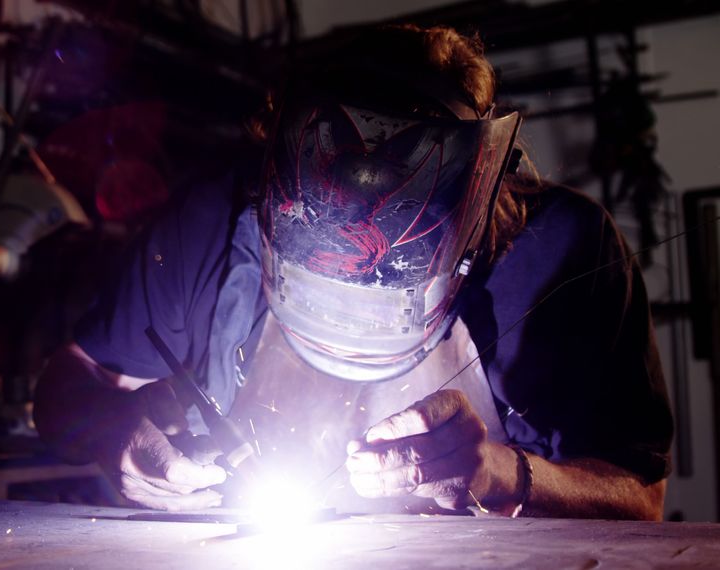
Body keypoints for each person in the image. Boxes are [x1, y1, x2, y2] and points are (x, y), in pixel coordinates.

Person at [33, 25, 673, 519]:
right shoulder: (215, 218)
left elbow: (642, 497)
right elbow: (67, 381)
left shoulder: (563, 250)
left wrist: (500, 472)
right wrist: (111, 432)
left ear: (464, 209)